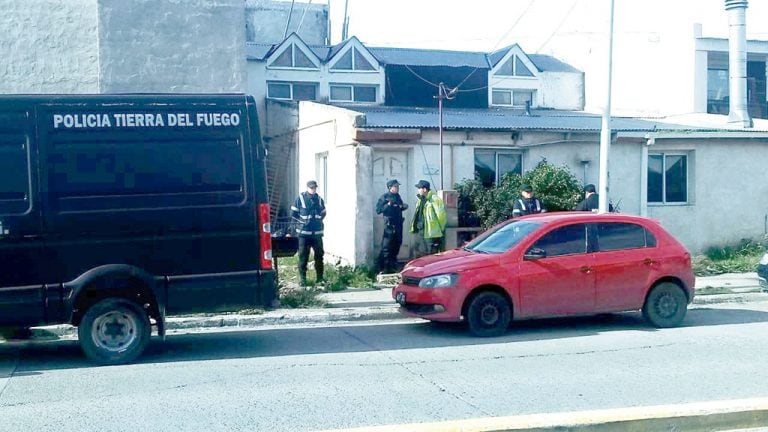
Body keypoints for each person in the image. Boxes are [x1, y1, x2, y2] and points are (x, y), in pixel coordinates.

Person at [291, 180, 327, 286]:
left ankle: (320, 279)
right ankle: (303, 280)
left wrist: (318, 221)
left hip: (317, 234)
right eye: (311, 188)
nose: (313, 189)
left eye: (314, 188)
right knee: (303, 257)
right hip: (304, 234)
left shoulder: (319, 200)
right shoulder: (300, 199)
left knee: (319, 256)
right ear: (307, 188)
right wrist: (297, 227)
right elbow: (293, 214)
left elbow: (324, 213)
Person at [376, 179, 408, 274]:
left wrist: (402, 206)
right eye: (395, 187)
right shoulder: (384, 197)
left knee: (396, 245)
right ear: (390, 188)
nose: (397, 188)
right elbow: (378, 210)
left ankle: (393, 266)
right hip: (389, 227)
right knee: (387, 247)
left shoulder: (398, 197)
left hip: (398, 225)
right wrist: (388, 205)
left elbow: (400, 206)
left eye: (398, 187)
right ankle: (383, 268)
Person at [410, 180, 447, 256]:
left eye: (419, 188)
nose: (418, 190)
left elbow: (441, 216)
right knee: (421, 253)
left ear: (424, 189)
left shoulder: (434, 199)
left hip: (431, 234)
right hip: (421, 231)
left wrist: (441, 229)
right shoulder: (420, 199)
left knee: (431, 255)